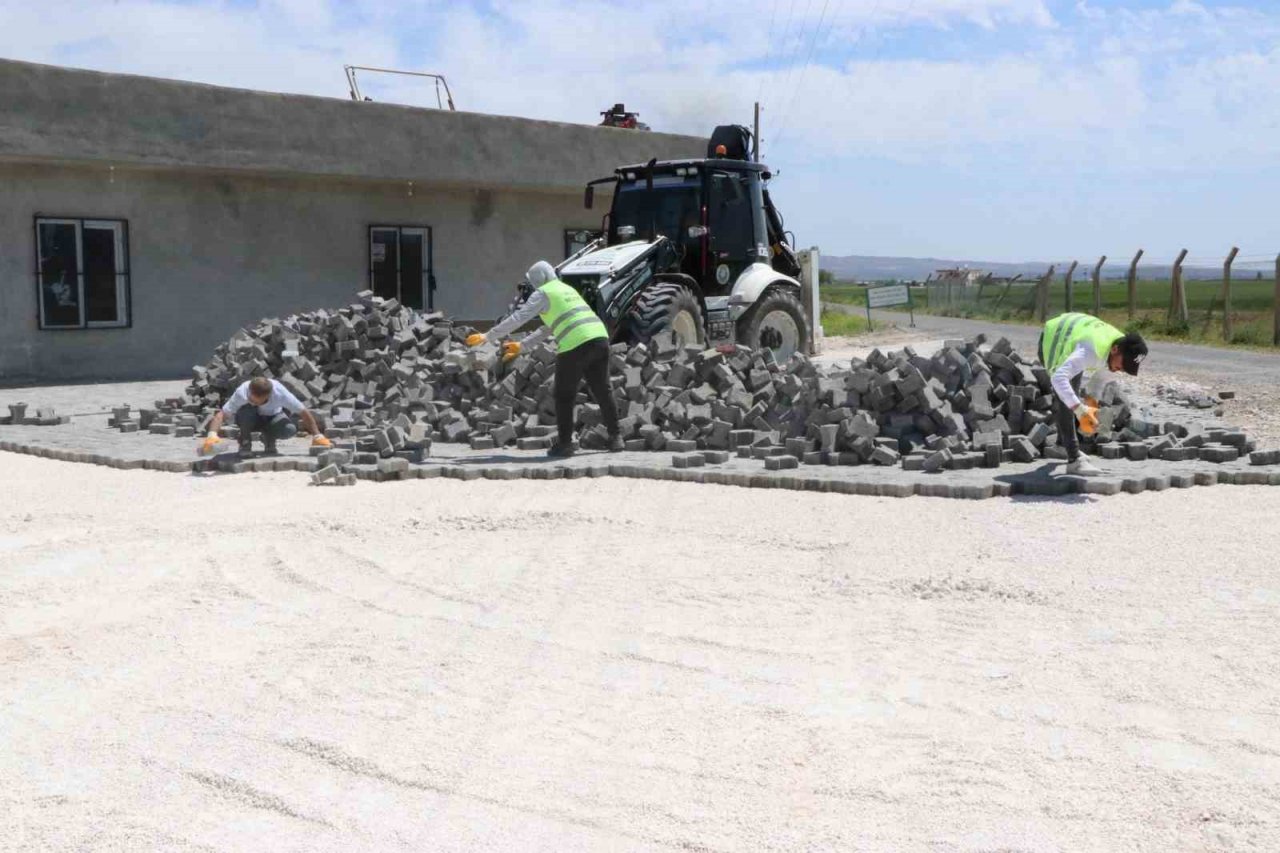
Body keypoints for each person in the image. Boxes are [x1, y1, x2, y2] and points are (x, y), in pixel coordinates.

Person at [467, 260, 622, 458]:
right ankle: (616, 437)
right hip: (600, 339)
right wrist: (522, 346)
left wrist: (488, 336)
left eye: (531, 282)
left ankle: (565, 444)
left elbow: (519, 318)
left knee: (564, 395)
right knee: (602, 389)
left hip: (575, 343)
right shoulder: (566, 290)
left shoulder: (544, 293)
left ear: (538, 280)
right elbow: (547, 328)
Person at [1039, 312, 1148, 476]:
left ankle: (1062, 445)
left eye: (1127, 367)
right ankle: (1074, 459)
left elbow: (1097, 382)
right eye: (1123, 364)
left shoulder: (1116, 354)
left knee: (1068, 396)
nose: (1122, 369)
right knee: (1066, 395)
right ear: (1115, 350)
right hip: (1055, 336)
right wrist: (1080, 410)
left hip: (1076, 334)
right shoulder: (1090, 351)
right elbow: (1058, 378)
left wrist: (1091, 407)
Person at [201, 376, 331, 457]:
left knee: (289, 429)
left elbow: (304, 412)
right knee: (247, 409)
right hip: (249, 419)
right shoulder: (242, 392)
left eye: (258, 400)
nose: (253, 401)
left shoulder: (280, 393)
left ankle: (269, 438)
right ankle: (245, 443)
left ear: (268, 396)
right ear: (250, 391)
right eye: (251, 397)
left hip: (272, 418)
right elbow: (221, 414)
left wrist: (318, 436)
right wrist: (212, 436)